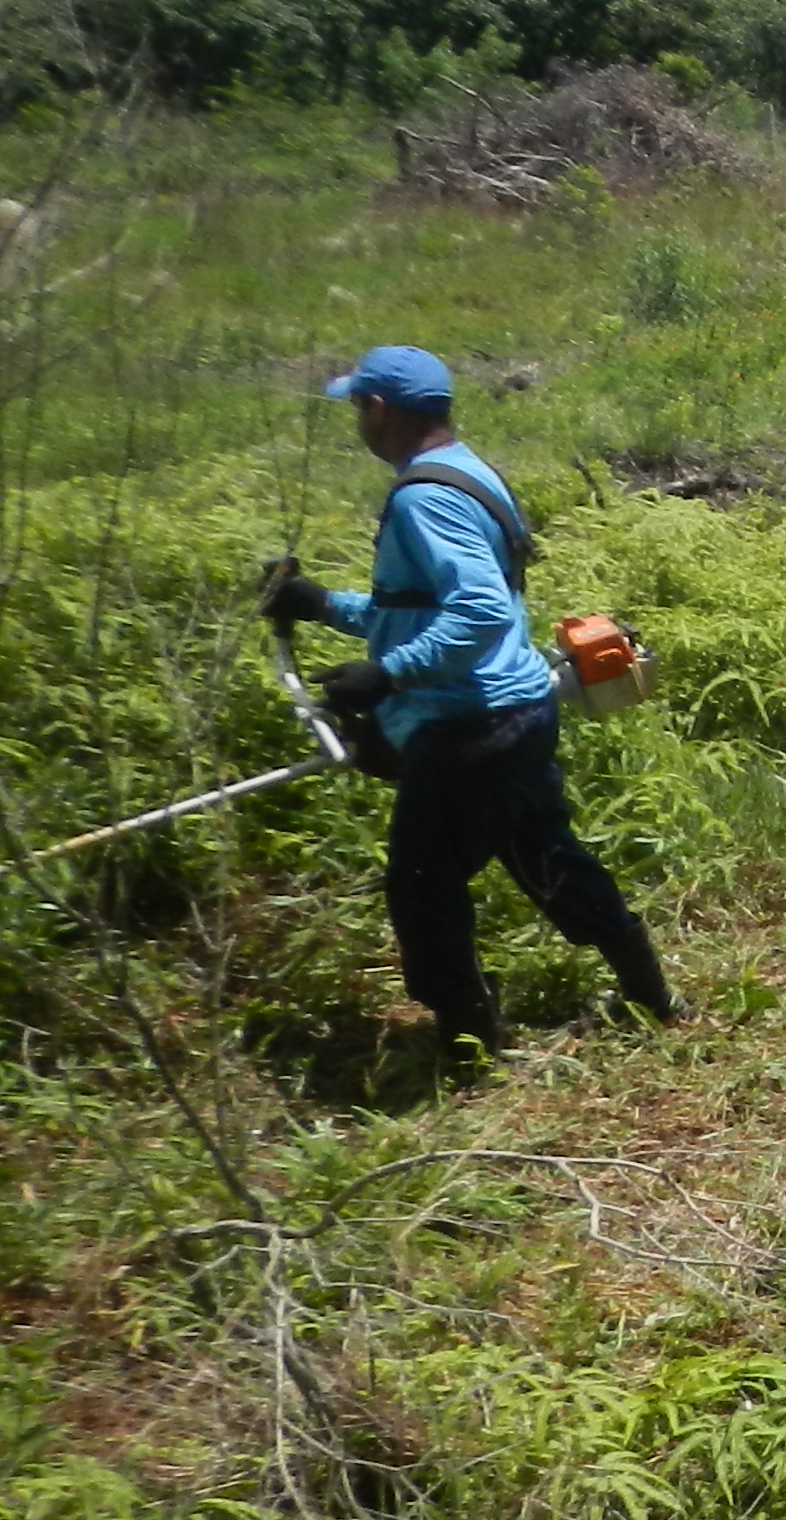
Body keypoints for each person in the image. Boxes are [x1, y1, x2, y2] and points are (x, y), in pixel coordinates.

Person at [258, 345, 672, 1063]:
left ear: (380, 410)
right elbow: (425, 606)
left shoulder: (424, 497)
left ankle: (468, 1046)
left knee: (423, 887)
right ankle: (652, 994)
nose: (357, 418)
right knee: (548, 855)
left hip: (468, 729)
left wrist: (389, 675)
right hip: (517, 713)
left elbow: (478, 612)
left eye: (359, 406)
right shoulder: (468, 473)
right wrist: (324, 606)